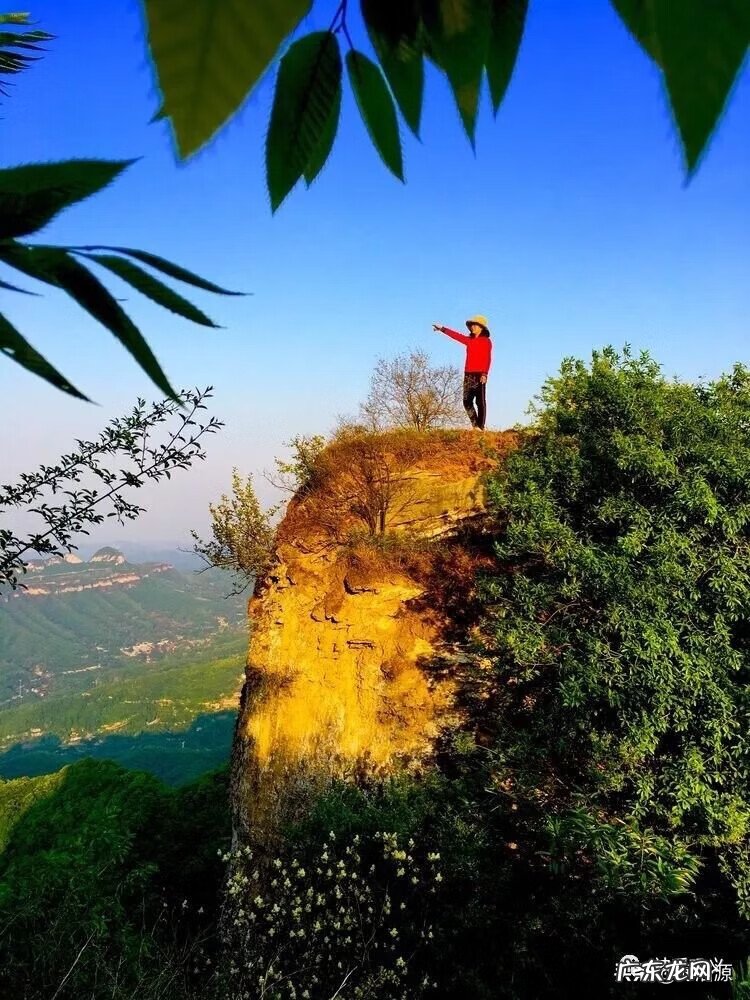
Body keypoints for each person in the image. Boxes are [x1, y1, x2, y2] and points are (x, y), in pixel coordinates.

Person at [433, 314, 492, 430]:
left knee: (480, 401)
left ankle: (481, 427)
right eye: (471, 326)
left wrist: (485, 373)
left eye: (475, 325)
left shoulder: (486, 341)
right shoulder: (469, 340)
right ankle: (475, 425)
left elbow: (488, 358)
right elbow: (456, 336)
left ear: (481, 327)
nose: (472, 328)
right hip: (468, 374)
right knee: (466, 401)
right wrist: (442, 329)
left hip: (480, 374)